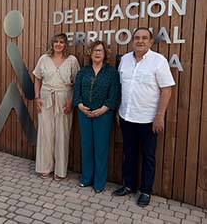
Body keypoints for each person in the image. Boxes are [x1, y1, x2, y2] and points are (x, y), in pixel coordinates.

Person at [112, 27, 175, 207]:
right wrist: (118, 111)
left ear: (150, 42)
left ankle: (146, 191)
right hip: (127, 117)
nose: (140, 41)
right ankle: (128, 185)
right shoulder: (124, 60)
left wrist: (160, 115)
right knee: (129, 154)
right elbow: (121, 88)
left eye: (144, 38)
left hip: (148, 120)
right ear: (132, 41)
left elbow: (167, 89)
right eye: (137, 38)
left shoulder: (158, 61)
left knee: (148, 157)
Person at [73, 40, 120, 193]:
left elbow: (114, 94)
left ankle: (99, 182)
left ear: (105, 53)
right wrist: (80, 105)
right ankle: (86, 178)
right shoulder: (84, 71)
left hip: (103, 115)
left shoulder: (111, 72)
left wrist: (103, 109)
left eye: (100, 50)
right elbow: (76, 92)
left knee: (100, 148)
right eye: (94, 50)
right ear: (90, 53)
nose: (97, 53)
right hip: (84, 113)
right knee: (86, 146)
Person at [33, 33, 80, 180]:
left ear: (65, 44)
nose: (58, 44)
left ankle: (60, 171)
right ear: (52, 43)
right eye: (56, 42)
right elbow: (37, 78)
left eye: (61, 42)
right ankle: (45, 168)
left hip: (64, 98)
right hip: (46, 97)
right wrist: (37, 98)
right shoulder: (44, 59)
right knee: (45, 133)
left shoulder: (72, 60)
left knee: (62, 134)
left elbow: (77, 82)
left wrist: (71, 101)